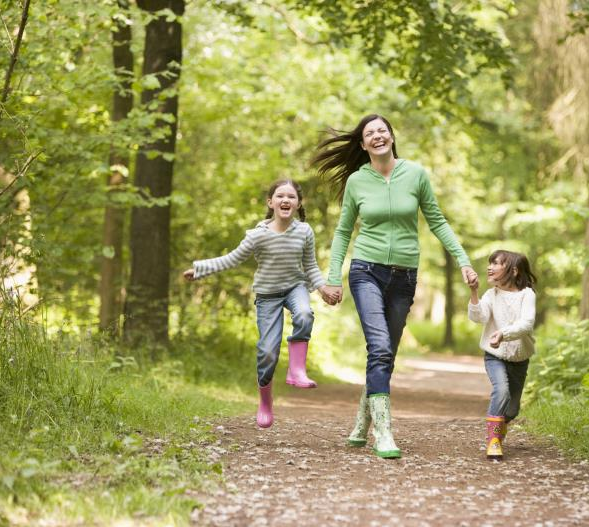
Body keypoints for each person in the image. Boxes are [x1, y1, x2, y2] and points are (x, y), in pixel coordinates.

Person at [311, 114, 478, 459]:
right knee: (381, 347)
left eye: (382, 131)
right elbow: (344, 231)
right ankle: (383, 433)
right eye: (369, 133)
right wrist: (332, 277)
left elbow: (436, 220)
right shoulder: (358, 181)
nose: (377, 136)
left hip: (404, 275)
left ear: (391, 137)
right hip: (365, 271)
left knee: (385, 354)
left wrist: (462, 260)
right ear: (362, 144)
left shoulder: (415, 174)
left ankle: (361, 422)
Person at [182, 179, 340, 429]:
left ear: (298, 204)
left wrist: (322, 289)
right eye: (280, 196)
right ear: (271, 202)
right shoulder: (258, 236)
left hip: (295, 288)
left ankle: (296, 370)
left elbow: (310, 266)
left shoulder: (304, 232)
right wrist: (200, 270)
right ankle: (265, 401)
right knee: (267, 352)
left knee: (305, 314)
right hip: (267, 295)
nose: (285, 200)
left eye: (291, 196)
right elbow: (231, 259)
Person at [467, 249, 537, 460]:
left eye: (496, 263)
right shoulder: (491, 294)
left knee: (513, 409)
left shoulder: (527, 295)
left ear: (514, 270)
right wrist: (474, 293)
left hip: (520, 358)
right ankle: (494, 440)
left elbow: (526, 323)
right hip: (494, 355)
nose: (490, 267)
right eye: (490, 263)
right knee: (502, 391)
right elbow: (479, 317)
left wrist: (503, 334)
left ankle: (500, 425)